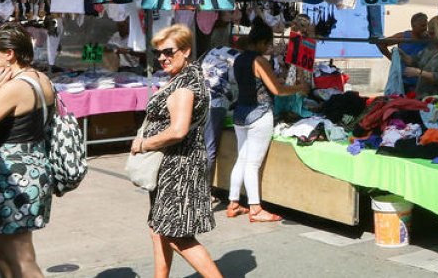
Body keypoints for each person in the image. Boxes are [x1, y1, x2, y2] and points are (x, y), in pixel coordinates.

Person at [0, 25, 56, 278]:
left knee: (21, 257)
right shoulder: (42, 79)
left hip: (14, 177)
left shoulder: (14, 88)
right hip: (30, 168)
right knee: (3, 250)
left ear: (9, 54)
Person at [132, 25, 221, 278]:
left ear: (186, 50)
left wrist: (143, 144)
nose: (162, 57)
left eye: (168, 52)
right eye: (158, 53)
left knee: (177, 236)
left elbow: (178, 131)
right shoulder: (186, 78)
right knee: (159, 228)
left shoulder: (184, 85)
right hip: (175, 164)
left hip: (179, 167)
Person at [226, 19, 311, 222]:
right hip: (259, 114)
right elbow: (277, 90)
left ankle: (233, 203)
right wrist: (300, 88)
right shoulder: (259, 61)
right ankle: (255, 209)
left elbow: (254, 83)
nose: (269, 48)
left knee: (242, 159)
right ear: (262, 42)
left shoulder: (239, 59)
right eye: (268, 43)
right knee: (253, 164)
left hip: (240, 114)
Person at [198, 43, 237, 192]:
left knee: (202, 146)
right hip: (216, 104)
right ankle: (203, 192)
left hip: (202, 100)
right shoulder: (235, 57)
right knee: (210, 148)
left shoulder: (214, 51)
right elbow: (235, 80)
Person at [407, 15, 438, 97]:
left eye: (432, 33)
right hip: (424, 96)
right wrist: (400, 54)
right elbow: (415, 61)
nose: (429, 35)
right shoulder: (430, 48)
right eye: (429, 32)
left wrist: (419, 73)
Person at [378, 12, 429, 93]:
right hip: (404, 82)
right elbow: (381, 44)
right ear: (413, 25)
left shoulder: (429, 39)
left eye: (426, 25)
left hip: (423, 82)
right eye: (422, 26)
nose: (425, 28)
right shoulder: (403, 36)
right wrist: (393, 59)